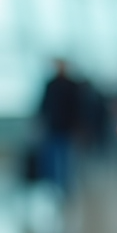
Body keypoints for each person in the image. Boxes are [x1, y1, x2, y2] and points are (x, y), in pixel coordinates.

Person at [38, 59, 82, 196]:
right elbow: (44, 104)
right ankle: (56, 184)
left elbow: (78, 108)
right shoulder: (50, 84)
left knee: (67, 157)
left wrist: (79, 125)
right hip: (53, 126)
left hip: (67, 127)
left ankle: (66, 184)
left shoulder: (72, 85)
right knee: (54, 157)